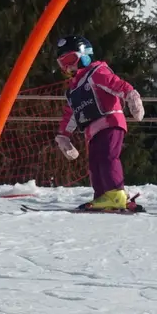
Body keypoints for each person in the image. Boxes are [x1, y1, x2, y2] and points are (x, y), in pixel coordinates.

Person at [50, 34, 146, 212]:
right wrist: (64, 136)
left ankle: (116, 193)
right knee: (94, 163)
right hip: (92, 131)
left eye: (70, 59)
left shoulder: (97, 72)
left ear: (85, 55)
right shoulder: (73, 89)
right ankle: (103, 195)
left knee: (107, 157)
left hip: (110, 122)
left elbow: (116, 84)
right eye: (62, 63)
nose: (68, 66)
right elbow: (71, 114)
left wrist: (132, 96)